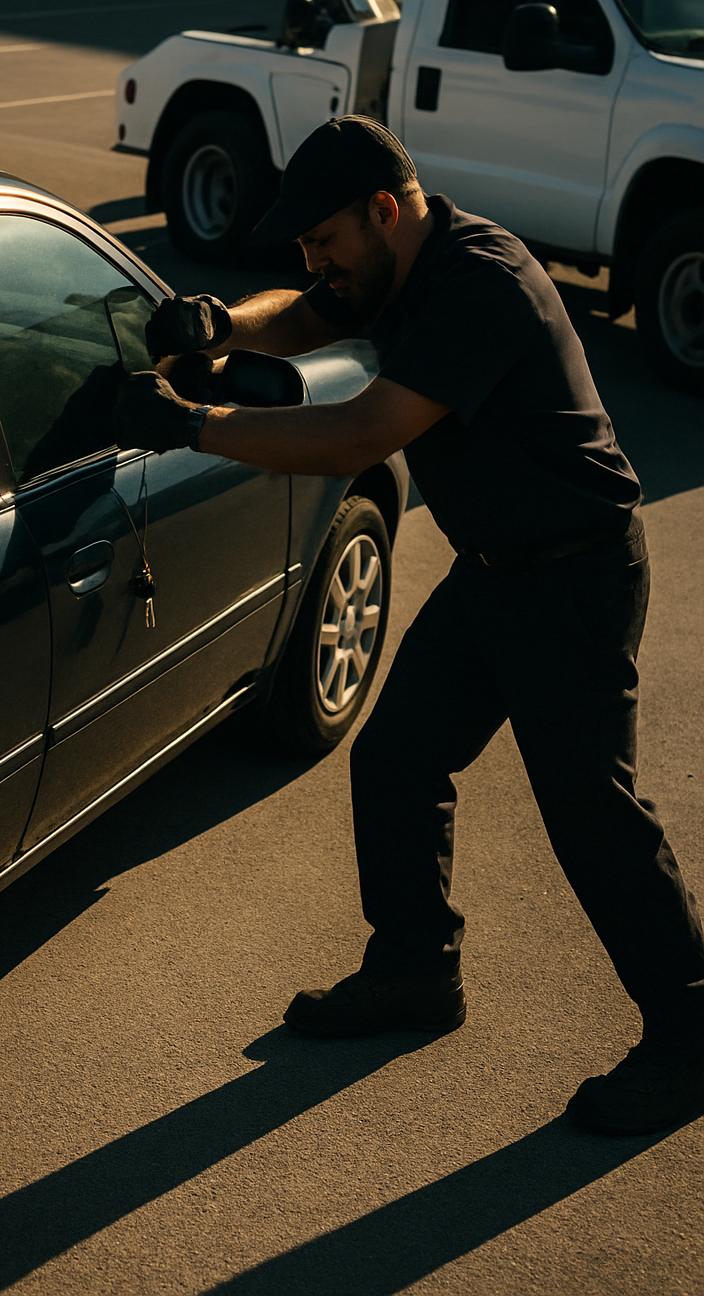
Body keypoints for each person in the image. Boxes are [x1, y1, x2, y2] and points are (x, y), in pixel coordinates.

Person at [113, 114, 704, 1136]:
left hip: (571, 578)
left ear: (384, 209)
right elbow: (306, 315)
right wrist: (225, 329)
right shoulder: (395, 268)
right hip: (495, 572)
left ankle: (690, 1038)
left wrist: (190, 425)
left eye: (326, 241)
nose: (317, 265)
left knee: (589, 813)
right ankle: (413, 974)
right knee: (393, 760)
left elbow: (360, 432)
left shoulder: (481, 282)